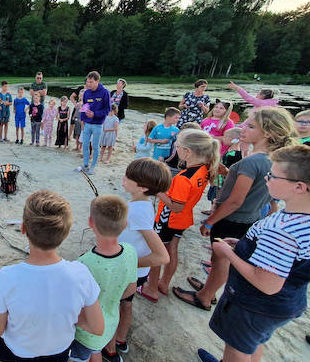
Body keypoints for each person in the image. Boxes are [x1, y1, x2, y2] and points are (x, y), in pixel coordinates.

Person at [174, 107, 298, 311]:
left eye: (250, 126)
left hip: (233, 218)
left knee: (220, 258)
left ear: (267, 133)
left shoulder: (251, 162)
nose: (242, 128)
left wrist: (210, 220)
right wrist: (231, 171)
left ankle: (204, 297)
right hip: (251, 217)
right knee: (221, 258)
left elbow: (235, 200)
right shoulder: (273, 159)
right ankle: (210, 288)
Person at [197, 145, 310, 362]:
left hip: (254, 304)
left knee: (237, 348)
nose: (266, 178)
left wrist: (229, 254)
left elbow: (268, 283)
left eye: (273, 175)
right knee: (252, 342)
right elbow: (287, 261)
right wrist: (243, 245)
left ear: (298, 187)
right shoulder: (300, 218)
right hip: (283, 302)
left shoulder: (282, 232)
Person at [0, 190, 104, 362]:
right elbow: (97, 328)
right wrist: (70, 315)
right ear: (65, 233)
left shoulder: (7, 276)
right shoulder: (80, 273)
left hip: (18, 352)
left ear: (23, 228)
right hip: (59, 352)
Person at [139, 129, 219, 302]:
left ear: (187, 152)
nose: (176, 150)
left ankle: (152, 287)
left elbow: (174, 207)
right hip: (184, 218)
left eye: (178, 147)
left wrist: (158, 191)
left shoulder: (184, 178)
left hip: (170, 218)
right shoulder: (205, 168)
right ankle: (163, 283)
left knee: (157, 251)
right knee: (172, 249)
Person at [113, 158, 171, 357]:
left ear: (143, 187)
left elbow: (161, 256)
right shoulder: (141, 204)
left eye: (129, 177)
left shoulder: (137, 211)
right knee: (125, 303)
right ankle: (120, 339)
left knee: (116, 306)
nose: (124, 177)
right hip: (132, 272)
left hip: (127, 272)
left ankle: (111, 345)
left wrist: (127, 262)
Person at [69, 195, 137, 362]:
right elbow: (131, 288)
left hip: (85, 330)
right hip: (111, 323)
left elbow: (73, 302)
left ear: (91, 223)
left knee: (87, 351)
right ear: (125, 225)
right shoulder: (130, 251)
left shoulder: (83, 263)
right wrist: (110, 298)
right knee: (96, 350)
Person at [227, 82, 279, 157]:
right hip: (261, 129)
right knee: (247, 144)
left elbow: (248, 97)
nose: (256, 95)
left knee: (244, 144)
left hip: (253, 128)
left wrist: (237, 87)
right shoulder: (273, 105)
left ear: (262, 95)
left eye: (258, 93)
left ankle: (242, 157)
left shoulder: (261, 103)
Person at [81, 71, 111, 175]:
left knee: (95, 146)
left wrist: (95, 114)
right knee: (84, 144)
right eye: (87, 82)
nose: (88, 84)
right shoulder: (86, 92)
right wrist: (83, 120)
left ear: (97, 81)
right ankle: (85, 164)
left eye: (91, 82)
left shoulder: (105, 92)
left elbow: (107, 110)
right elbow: (84, 107)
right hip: (87, 124)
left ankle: (93, 166)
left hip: (98, 124)